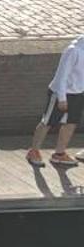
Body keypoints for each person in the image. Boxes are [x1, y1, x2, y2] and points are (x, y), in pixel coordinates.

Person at [28, 34, 84, 165]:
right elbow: (62, 75)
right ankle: (33, 151)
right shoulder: (73, 50)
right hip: (61, 93)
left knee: (71, 123)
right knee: (47, 122)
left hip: (78, 93)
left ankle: (59, 154)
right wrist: (62, 98)